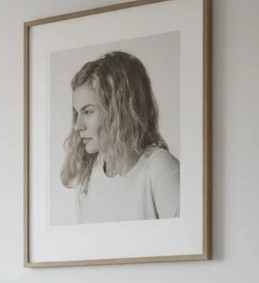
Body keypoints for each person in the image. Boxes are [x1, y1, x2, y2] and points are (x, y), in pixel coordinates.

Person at [60, 50, 180, 223]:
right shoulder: (89, 181)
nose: (78, 125)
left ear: (118, 112)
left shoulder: (159, 169)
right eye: (77, 113)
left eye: (88, 111)